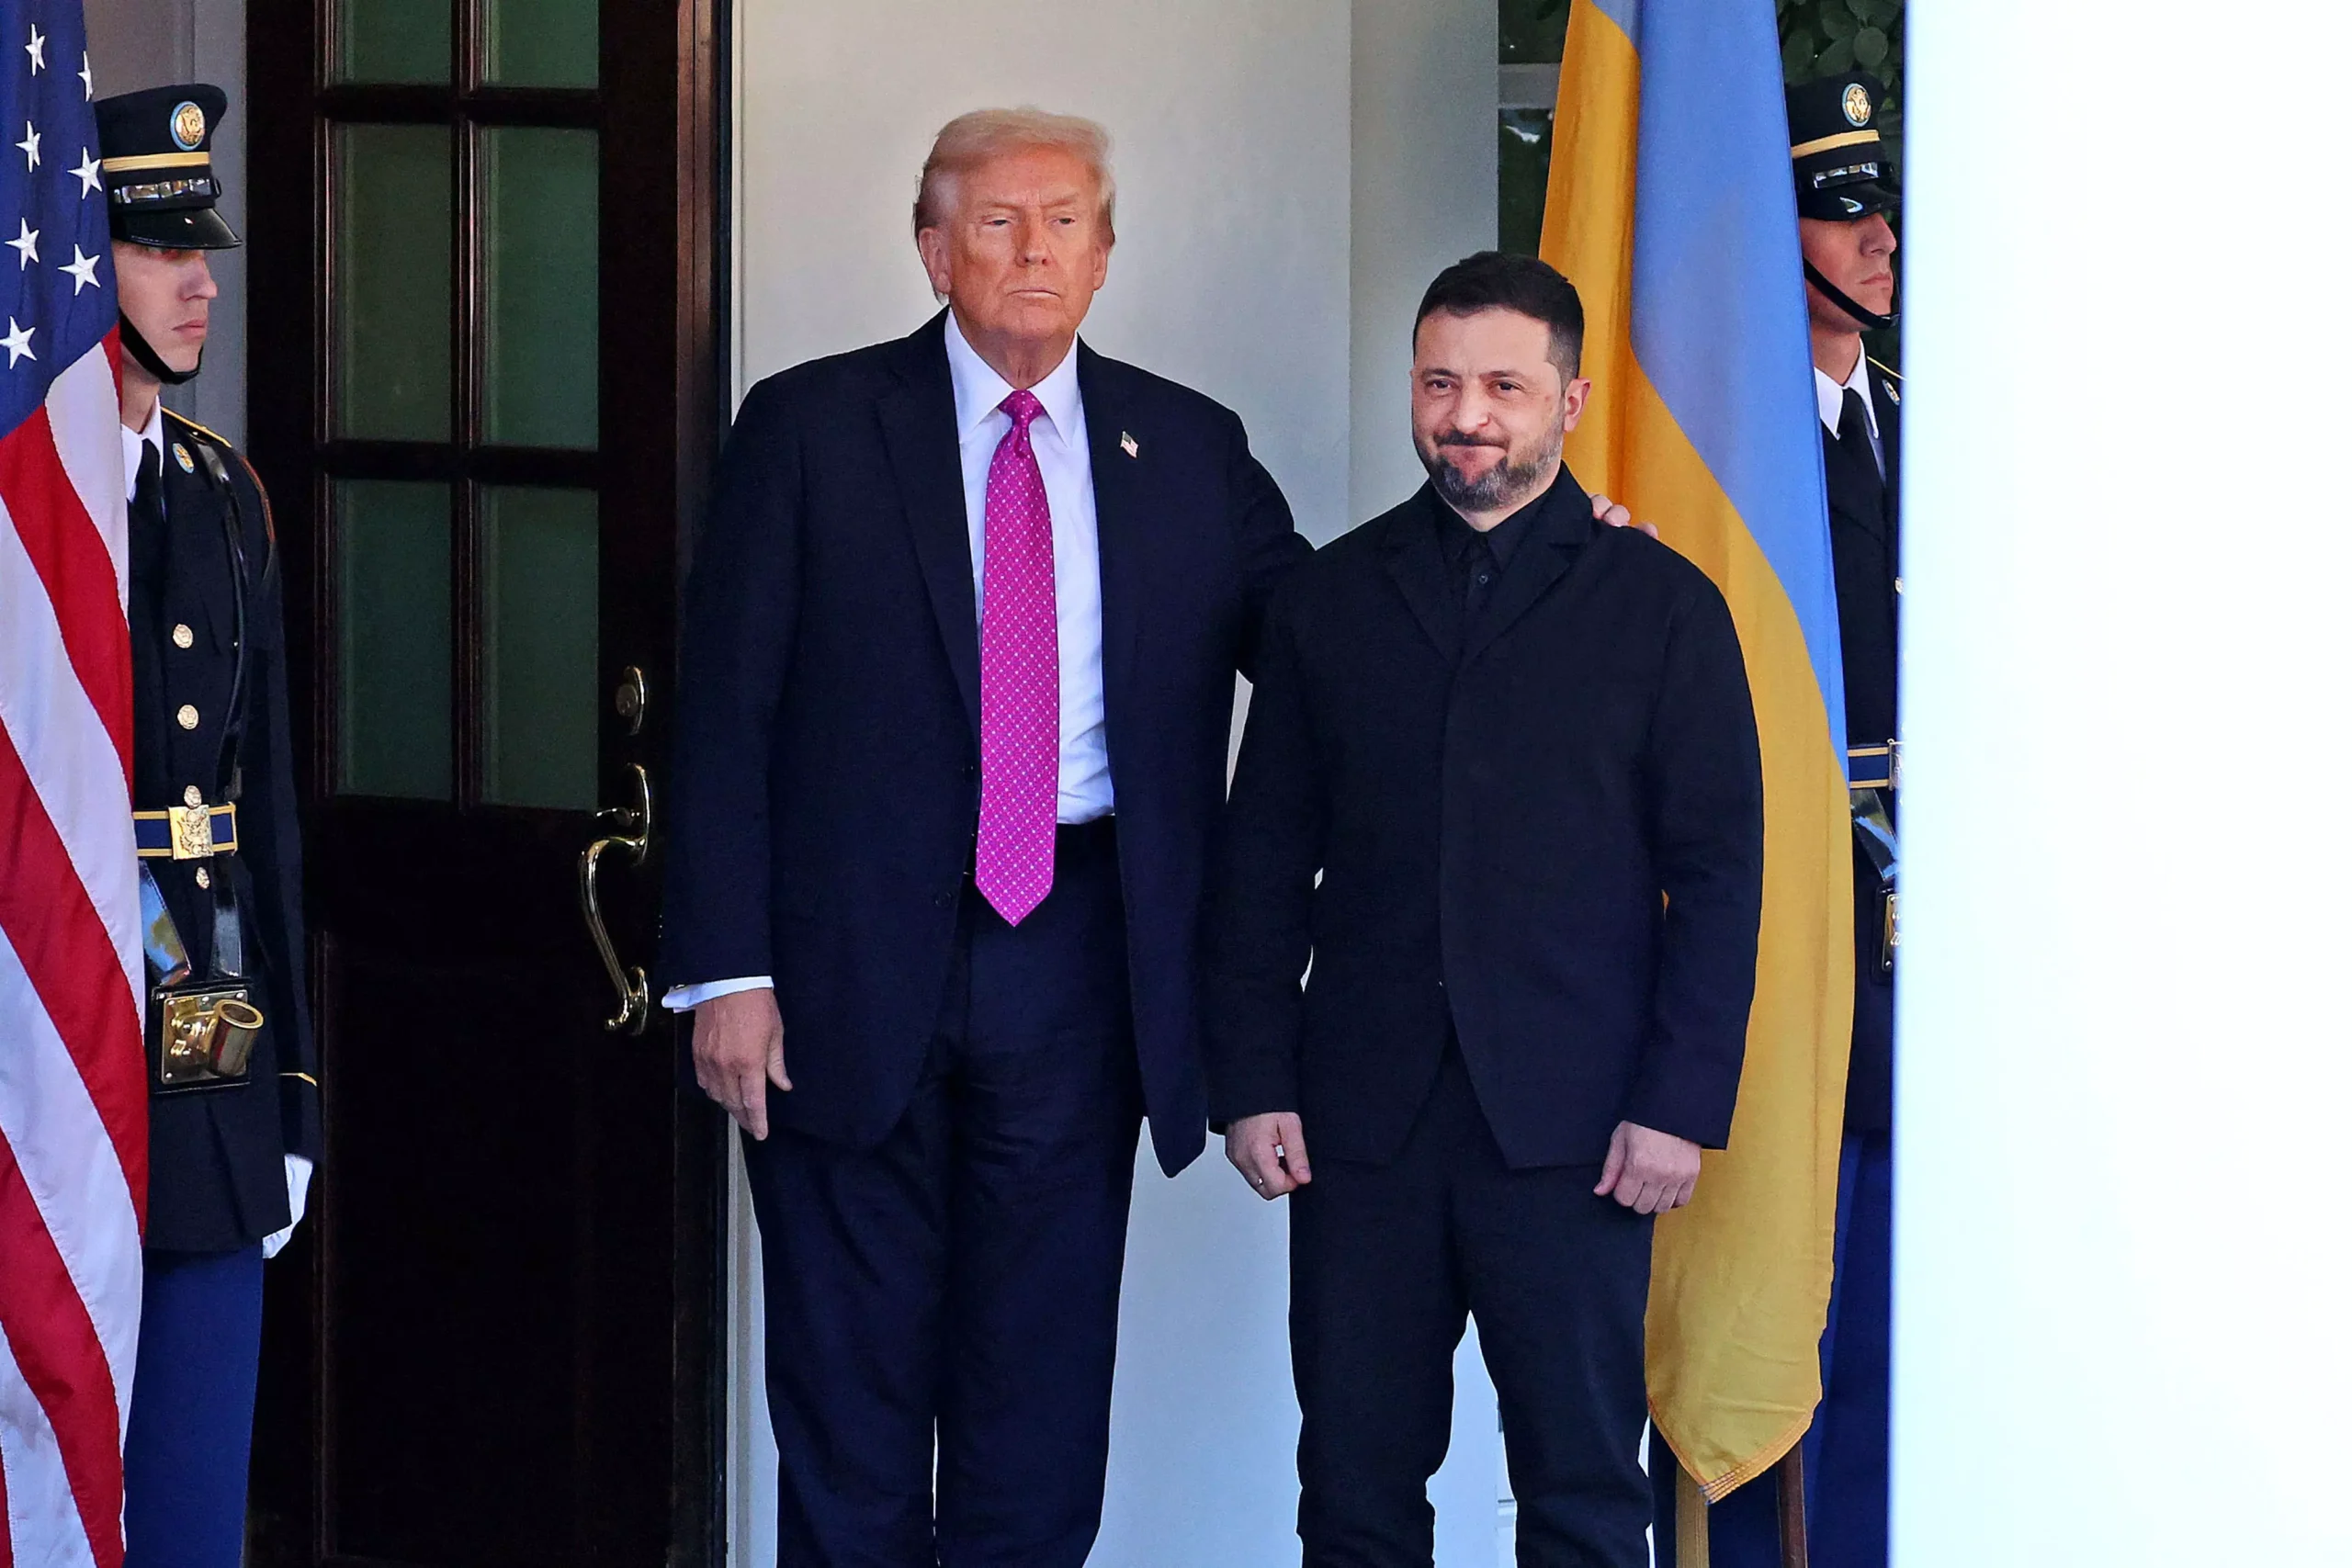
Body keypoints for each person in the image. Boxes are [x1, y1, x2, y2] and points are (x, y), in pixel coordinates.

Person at [655, 107, 1306, 1567]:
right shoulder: (812, 427)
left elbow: (1325, 643)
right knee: (851, 1400)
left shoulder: (1186, 447)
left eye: (1066, 221)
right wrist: (727, 967)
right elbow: (727, 708)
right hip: (838, 965)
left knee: (1039, 1394)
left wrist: (1541, 552)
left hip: (1078, 956)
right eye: (998, 221)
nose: (1034, 250)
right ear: (933, 249)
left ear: (1106, 255)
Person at [1204, 250, 1766, 1568]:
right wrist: (1251, 1079)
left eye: (1504, 386)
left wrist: (1679, 1102)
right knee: (1352, 1495)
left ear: (1569, 400)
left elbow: (1720, 874)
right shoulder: (1328, 601)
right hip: (1360, 1128)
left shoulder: (1665, 607)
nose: (1467, 414)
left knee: (1583, 1495)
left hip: (1582, 1132)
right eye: (1440, 382)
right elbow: (1263, 859)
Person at [97, 84, 318, 1568]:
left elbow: (264, 813)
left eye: (204, 251)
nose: (201, 284)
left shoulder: (224, 490)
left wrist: (289, 1091)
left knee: (188, 1482)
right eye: (160, 249)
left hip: (201, 1006)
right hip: (45, 1007)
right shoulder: (23, 498)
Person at [1694, 70, 1904, 1568]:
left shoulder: (1920, 419)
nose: (1880, 240)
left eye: (1883, 207)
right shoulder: (1741, 456)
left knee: (1902, 1252)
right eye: (1841, 214)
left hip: (1920, 897)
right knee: (1791, 1252)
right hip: (1796, 880)